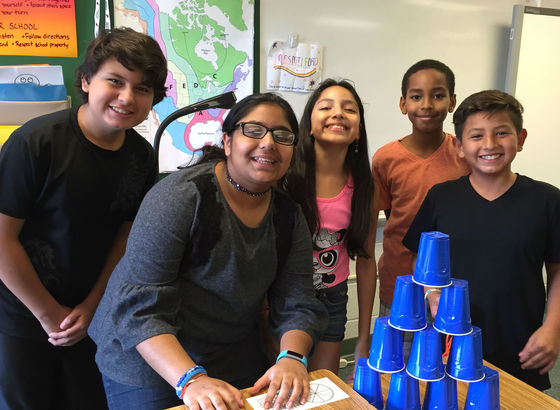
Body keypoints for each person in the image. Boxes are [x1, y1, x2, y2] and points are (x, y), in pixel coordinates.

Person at [89, 92, 328, 410]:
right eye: (254, 130)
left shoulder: (288, 214)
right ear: (228, 142)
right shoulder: (181, 198)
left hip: (228, 349)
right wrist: (190, 379)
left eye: (282, 135)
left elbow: (299, 301)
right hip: (146, 357)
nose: (269, 143)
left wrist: (293, 358)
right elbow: (138, 309)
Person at [0, 27, 167, 409]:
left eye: (142, 89)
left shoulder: (141, 157)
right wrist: (48, 314)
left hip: (91, 318)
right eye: (115, 80)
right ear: (87, 80)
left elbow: (125, 237)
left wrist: (91, 307)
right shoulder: (35, 142)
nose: (127, 97)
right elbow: (2, 238)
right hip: (23, 313)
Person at [403, 89, 560, 390]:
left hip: (521, 345)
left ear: (521, 138)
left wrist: (552, 329)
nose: (489, 144)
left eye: (501, 132)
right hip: (450, 343)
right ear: (460, 146)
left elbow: (557, 269)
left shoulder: (547, 200)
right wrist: (432, 295)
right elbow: (419, 258)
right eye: (476, 136)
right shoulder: (441, 198)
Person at [371, 59, 469, 354]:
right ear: (403, 104)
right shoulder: (385, 158)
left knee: (447, 365)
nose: (426, 104)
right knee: (395, 364)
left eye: (438, 95)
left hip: (451, 284)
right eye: (416, 96)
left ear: (452, 101)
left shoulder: (465, 154)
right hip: (400, 281)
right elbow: (393, 218)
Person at [284, 79, 377, 377]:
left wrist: (364, 338)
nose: (338, 113)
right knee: (282, 387)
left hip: (333, 299)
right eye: (326, 106)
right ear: (309, 125)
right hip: (284, 299)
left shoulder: (364, 187)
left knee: (325, 389)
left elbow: (365, 261)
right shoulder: (285, 178)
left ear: (358, 129)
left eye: (349, 109)